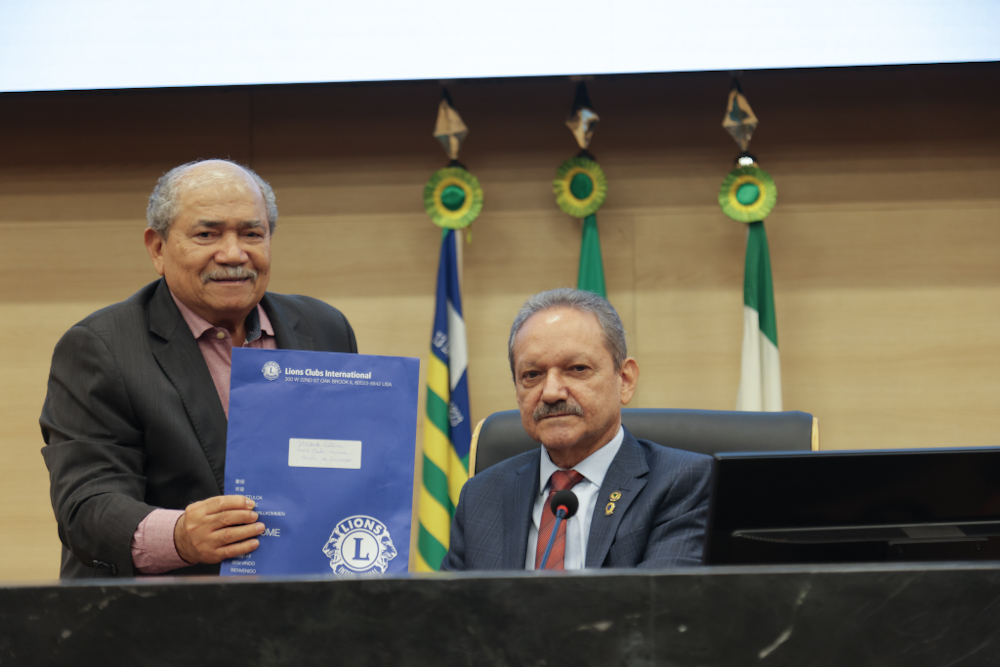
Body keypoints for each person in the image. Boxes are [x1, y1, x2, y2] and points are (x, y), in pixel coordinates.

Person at [40, 159, 357, 578]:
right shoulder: (101, 348)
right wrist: (180, 537)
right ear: (157, 247)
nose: (233, 253)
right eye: (207, 234)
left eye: (251, 233)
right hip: (161, 618)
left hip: (307, 604)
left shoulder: (325, 328)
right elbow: (87, 506)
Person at [442, 288, 710, 571]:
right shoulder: (481, 496)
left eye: (577, 369)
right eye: (532, 375)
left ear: (625, 380)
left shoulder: (684, 482)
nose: (552, 393)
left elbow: (657, 606)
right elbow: (449, 610)